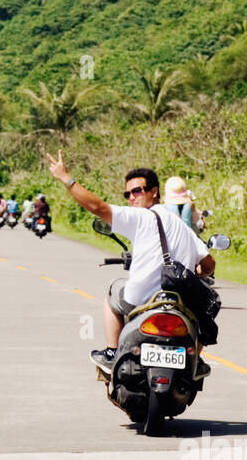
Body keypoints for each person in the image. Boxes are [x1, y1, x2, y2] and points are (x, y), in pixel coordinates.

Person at [47, 152, 215, 367]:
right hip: (180, 303)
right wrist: (197, 272)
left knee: (113, 289)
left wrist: (66, 179)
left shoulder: (139, 217)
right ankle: (195, 361)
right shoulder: (183, 227)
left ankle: (111, 352)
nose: (131, 198)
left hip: (141, 301)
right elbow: (209, 265)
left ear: (154, 192)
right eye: (127, 194)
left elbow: (98, 208)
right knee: (205, 309)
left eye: (137, 191)